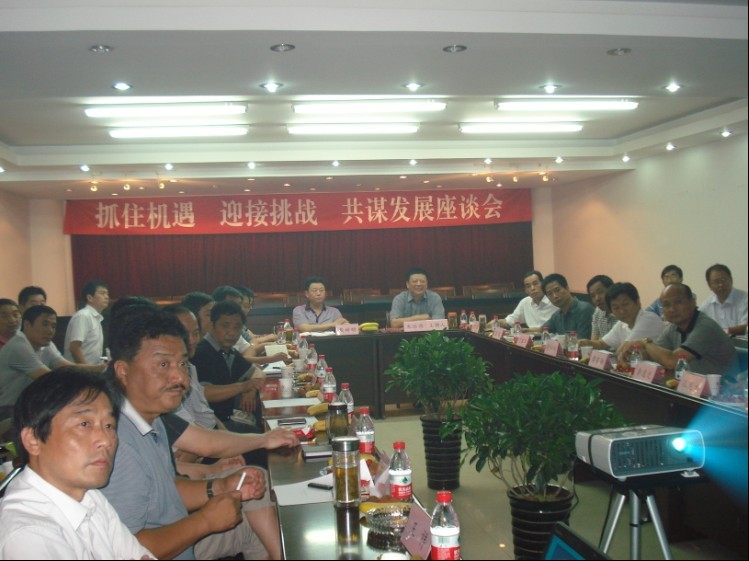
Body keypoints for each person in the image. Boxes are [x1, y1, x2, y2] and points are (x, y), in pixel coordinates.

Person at [100, 306, 275, 560]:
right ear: (123, 371)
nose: (179, 377)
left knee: (260, 523)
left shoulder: (151, 418)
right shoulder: (116, 443)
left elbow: (167, 488)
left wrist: (220, 485)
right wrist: (205, 521)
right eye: (163, 364)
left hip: (181, 536)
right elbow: (126, 549)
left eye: (182, 363)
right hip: (169, 547)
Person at [0, 367, 153, 559]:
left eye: (109, 426)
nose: (106, 440)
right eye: (84, 424)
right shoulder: (29, 536)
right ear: (33, 440)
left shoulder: (89, 497)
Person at [0, 305, 106, 421]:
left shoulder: (46, 344)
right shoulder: (18, 346)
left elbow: (67, 367)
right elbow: (48, 379)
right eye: (44, 324)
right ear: (27, 325)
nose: (50, 330)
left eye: (53, 326)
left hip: (28, 406)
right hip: (8, 410)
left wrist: (101, 368)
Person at [618, 283, 739, 377]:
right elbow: (655, 356)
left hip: (726, 392)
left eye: (678, 302)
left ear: (692, 302)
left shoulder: (705, 327)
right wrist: (633, 353)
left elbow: (672, 361)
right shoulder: (673, 327)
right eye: (666, 305)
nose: (672, 309)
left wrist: (645, 342)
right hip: (694, 387)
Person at [191, 301, 266, 431]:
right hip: (206, 426)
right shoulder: (201, 352)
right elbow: (204, 392)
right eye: (225, 326)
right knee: (261, 433)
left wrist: (250, 390)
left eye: (237, 327)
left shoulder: (229, 352)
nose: (232, 332)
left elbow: (257, 371)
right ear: (212, 325)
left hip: (225, 418)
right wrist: (243, 387)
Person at [578, 282, 665, 354]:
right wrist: (586, 343)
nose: (622, 311)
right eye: (616, 307)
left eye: (625, 304)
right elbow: (601, 344)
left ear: (637, 302)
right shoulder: (622, 324)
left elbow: (623, 349)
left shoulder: (648, 319)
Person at [63, 280, 110, 365]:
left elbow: (96, 353)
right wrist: (87, 369)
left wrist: (106, 363)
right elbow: (74, 347)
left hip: (93, 369)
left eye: (107, 294)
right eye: (102, 293)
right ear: (89, 298)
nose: (106, 297)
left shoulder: (97, 318)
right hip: (78, 370)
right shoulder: (83, 316)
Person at [541, 274, 595, 339]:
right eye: (550, 294)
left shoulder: (584, 310)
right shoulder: (557, 316)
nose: (555, 296)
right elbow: (542, 329)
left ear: (567, 288)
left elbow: (582, 341)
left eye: (557, 290)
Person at [699, 264, 748, 336]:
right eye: (716, 282)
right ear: (709, 285)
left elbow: (746, 327)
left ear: (731, 280)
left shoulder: (745, 299)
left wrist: (725, 331)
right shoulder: (706, 305)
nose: (720, 285)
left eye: (723, 280)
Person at [586, 275, 618, 340]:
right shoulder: (598, 311)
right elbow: (594, 341)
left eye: (600, 292)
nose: (597, 298)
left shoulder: (622, 313)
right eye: (593, 296)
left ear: (611, 290)